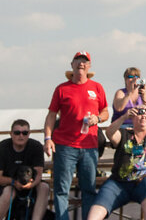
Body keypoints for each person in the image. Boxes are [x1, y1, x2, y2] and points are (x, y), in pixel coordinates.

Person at [44, 51, 109, 220]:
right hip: (65, 146)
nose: (81, 63)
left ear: (89, 67)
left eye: (85, 61)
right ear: (71, 65)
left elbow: (105, 111)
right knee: (61, 190)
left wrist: (98, 118)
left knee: (88, 189)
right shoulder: (62, 88)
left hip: (89, 147)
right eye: (78, 60)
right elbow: (51, 115)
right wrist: (47, 138)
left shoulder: (97, 87)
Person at [87, 102, 146, 220]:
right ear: (132, 118)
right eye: (139, 114)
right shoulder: (125, 134)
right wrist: (124, 117)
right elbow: (110, 133)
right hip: (120, 183)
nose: (143, 116)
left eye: (145, 114)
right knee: (102, 199)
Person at [0, 119, 51, 220]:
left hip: (30, 184)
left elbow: (38, 174)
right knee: (9, 191)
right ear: (11, 134)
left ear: (29, 134)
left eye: (24, 133)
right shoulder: (1, 148)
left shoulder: (36, 146)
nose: (21, 136)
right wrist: (14, 182)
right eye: (17, 133)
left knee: (44, 187)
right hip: (6, 185)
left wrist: (31, 185)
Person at [109, 66, 146, 137]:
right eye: (130, 77)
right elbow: (119, 108)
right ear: (125, 79)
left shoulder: (142, 93)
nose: (134, 79)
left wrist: (144, 94)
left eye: (136, 76)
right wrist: (130, 92)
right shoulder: (121, 92)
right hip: (122, 126)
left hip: (139, 126)